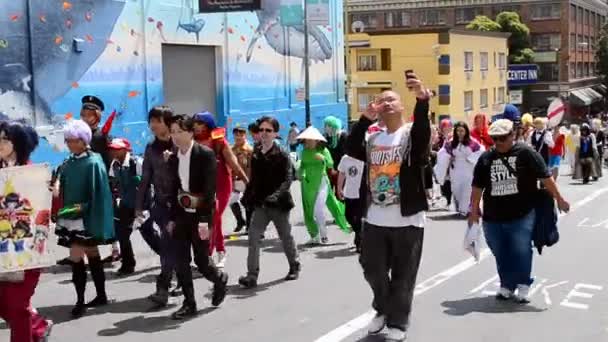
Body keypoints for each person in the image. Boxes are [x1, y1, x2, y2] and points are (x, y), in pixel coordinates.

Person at [346, 73, 433, 341]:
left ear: (402, 106)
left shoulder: (409, 135)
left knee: (404, 275)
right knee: (371, 267)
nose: (387, 103)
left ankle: (398, 322)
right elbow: (350, 149)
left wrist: (422, 100)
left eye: (392, 99)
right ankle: (383, 308)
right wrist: (364, 120)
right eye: (382, 100)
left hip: (407, 219)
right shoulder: (373, 138)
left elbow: (422, 133)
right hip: (375, 217)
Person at [469, 119, 570, 303]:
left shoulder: (526, 153)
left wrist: (560, 199)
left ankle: (523, 284)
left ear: (512, 135)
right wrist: (473, 211)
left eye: (502, 138)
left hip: (522, 215)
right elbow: (477, 187)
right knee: (500, 251)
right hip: (492, 217)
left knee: (521, 250)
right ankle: (507, 284)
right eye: (494, 139)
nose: (498, 142)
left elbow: (546, 178)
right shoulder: (486, 158)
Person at [166, 115, 229, 319]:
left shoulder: (205, 154)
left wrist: (204, 220)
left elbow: (210, 190)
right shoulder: (174, 157)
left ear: (191, 132)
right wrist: (172, 218)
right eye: (173, 132)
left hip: (201, 214)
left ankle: (219, 279)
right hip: (182, 215)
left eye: (179, 131)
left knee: (202, 262)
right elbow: (173, 188)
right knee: (181, 260)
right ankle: (189, 303)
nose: (175, 136)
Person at [53, 120, 115, 318]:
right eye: (67, 140)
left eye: (72, 140)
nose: (69, 143)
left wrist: (82, 209)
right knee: (91, 254)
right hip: (72, 215)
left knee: (77, 256)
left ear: (83, 140)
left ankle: (81, 301)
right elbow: (62, 183)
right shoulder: (69, 161)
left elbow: (99, 194)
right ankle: (98, 295)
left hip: (85, 217)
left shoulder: (94, 162)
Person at [0, 121, 53, 342]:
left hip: (27, 250)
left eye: (4, 139)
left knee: (18, 307)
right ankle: (39, 327)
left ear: (18, 143)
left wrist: (54, 193)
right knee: (4, 305)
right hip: (2, 249)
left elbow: (48, 210)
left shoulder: (35, 174)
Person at [239, 116, 300, 289]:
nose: (264, 133)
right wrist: (248, 196)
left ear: (275, 134)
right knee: (253, 237)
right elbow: (255, 178)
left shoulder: (281, 154)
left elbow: (288, 179)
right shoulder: (256, 152)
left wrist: (275, 196)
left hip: (279, 204)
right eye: (262, 130)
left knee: (285, 236)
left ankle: (294, 265)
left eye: (268, 130)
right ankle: (252, 275)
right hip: (260, 204)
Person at [136, 106, 180, 306]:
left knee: (174, 245)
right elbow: (145, 178)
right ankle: (167, 283)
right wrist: (139, 205)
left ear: (168, 123)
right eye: (151, 121)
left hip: (181, 205)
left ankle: (166, 285)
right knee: (166, 243)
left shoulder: (180, 145)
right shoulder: (151, 149)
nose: (153, 125)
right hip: (161, 204)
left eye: (157, 121)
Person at [193, 112, 249, 268]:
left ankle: (209, 255)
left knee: (214, 216)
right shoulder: (192, 141)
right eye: (195, 123)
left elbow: (234, 165)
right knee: (211, 220)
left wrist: (248, 184)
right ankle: (220, 252)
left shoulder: (219, 141)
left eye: (200, 123)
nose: (196, 126)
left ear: (208, 124)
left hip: (222, 186)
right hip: (203, 188)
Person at [297, 127, 351, 244]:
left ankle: (324, 235)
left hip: (322, 181)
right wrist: (300, 173)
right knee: (309, 210)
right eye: (307, 140)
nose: (309, 141)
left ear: (317, 140)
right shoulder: (304, 152)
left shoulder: (324, 150)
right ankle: (314, 235)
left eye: (312, 139)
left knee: (318, 209)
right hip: (308, 184)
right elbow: (302, 166)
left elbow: (330, 164)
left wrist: (323, 159)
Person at [107, 138, 142, 276]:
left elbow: (147, 182)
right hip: (125, 204)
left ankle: (171, 261)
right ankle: (128, 263)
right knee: (121, 233)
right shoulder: (114, 165)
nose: (113, 151)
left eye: (117, 149)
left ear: (125, 150)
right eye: (112, 149)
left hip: (141, 205)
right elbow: (114, 183)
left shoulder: (136, 162)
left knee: (151, 236)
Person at [435, 121, 484, 217]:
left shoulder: (472, 143)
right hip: (456, 171)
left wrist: (470, 158)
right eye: (458, 131)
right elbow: (442, 153)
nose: (460, 133)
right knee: (457, 190)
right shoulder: (451, 143)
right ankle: (465, 208)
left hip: (468, 170)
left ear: (466, 131)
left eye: (462, 131)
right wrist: (448, 157)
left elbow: (481, 151)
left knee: (467, 190)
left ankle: (465, 211)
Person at [230, 126, 253, 233]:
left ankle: (249, 225)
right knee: (232, 201)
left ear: (245, 136)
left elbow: (250, 166)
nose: (238, 137)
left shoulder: (249, 150)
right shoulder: (231, 149)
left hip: (247, 180)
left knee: (248, 203)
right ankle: (240, 221)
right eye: (236, 135)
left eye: (241, 135)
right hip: (235, 180)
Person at [323, 116, 348, 192]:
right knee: (328, 193)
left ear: (333, 126)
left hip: (340, 170)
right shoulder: (325, 138)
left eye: (327, 126)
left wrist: (339, 169)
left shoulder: (343, 136)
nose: (325, 128)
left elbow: (345, 153)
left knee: (339, 193)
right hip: (329, 169)